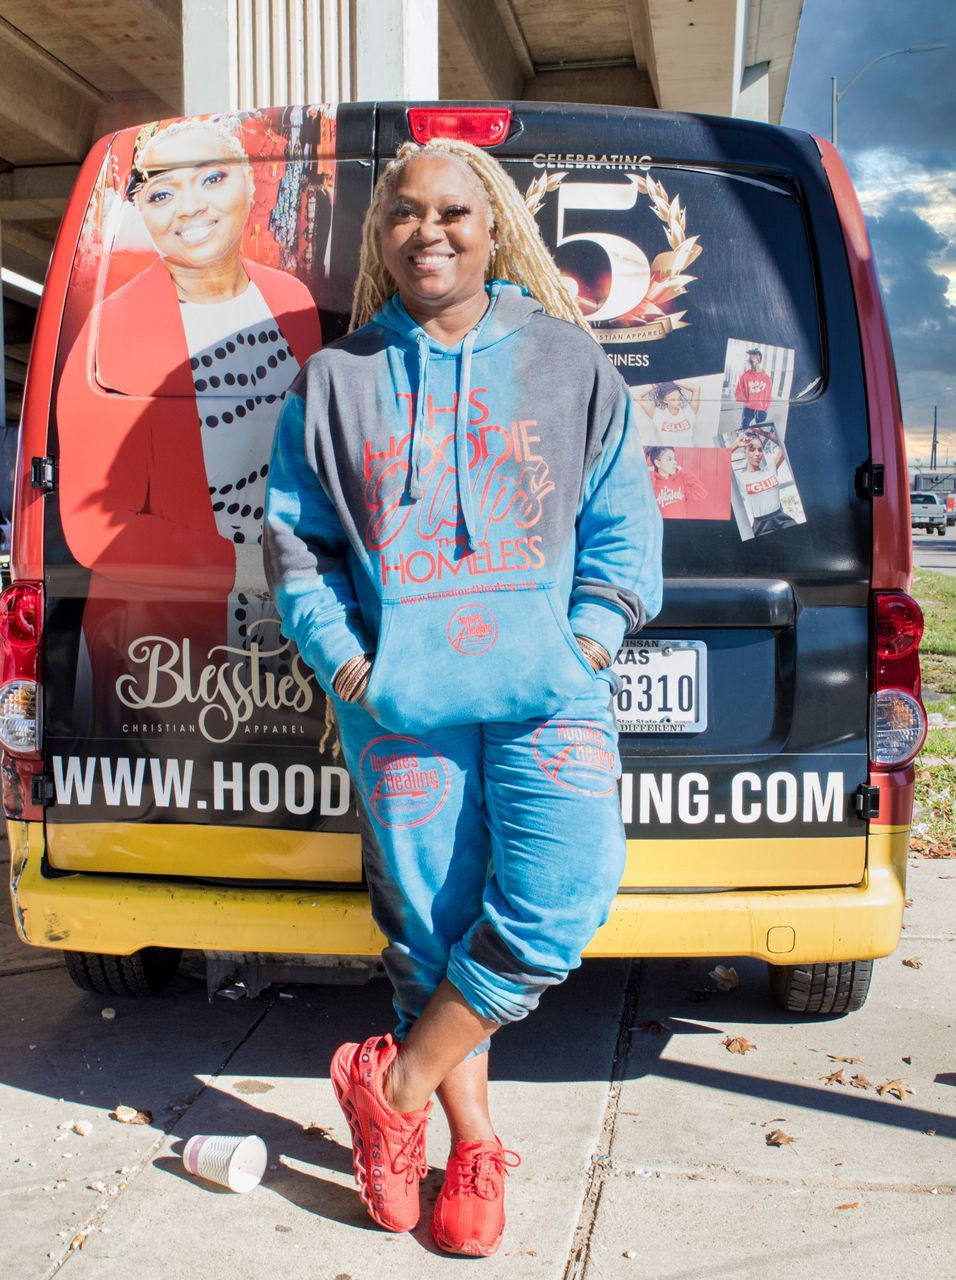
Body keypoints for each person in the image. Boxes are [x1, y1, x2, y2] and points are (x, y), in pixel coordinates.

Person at [264, 139, 661, 1257]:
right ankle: (469, 1142)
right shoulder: (337, 378)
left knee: (559, 900)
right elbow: (296, 544)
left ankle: (390, 1089)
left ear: (493, 231)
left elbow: (627, 523)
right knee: (432, 927)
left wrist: (586, 641)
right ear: (382, 236)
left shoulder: (568, 362)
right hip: (400, 703)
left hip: (548, 695)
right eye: (405, 212)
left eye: (452, 211)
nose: (427, 230)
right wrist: (345, 658)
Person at [57, 116, 323, 714]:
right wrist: (250, 565)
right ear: (141, 213)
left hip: (303, 626)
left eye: (211, 178)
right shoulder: (113, 332)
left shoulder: (292, 301)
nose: (189, 207)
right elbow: (94, 525)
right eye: (160, 193)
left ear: (249, 189)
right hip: (166, 654)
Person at [735, 426, 797, 537]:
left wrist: (764, 433)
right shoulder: (740, 477)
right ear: (745, 452)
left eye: (760, 449)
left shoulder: (771, 468)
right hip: (761, 525)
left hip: (782, 519)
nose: (757, 454)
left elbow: (785, 444)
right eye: (752, 449)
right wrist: (736, 444)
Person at [646, 445, 708, 516]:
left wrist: (682, 472)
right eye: (669, 459)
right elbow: (644, 499)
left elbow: (701, 493)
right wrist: (651, 470)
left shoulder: (680, 482)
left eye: (674, 459)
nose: (674, 462)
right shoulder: (653, 483)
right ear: (658, 463)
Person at [735, 348, 774, 430]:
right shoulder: (745, 376)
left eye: (753, 361)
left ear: (759, 360)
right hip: (748, 409)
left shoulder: (767, 378)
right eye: (750, 361)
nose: (751, 363)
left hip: (761, 411)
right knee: (743, 430)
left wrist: (765, 407)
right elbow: (737, 394)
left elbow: (768, 396)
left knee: (759, 431)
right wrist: (747, 401)